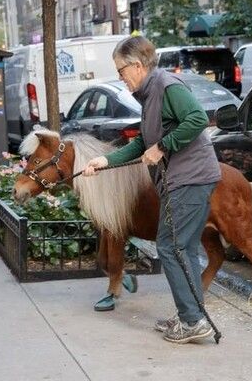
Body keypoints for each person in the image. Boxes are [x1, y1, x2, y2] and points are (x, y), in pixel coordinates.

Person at [83, 36, 221, 344]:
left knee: (170, 247)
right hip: (183, 180)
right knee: (182, 248)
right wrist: (105, 161)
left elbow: (197, 119)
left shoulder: (166, 86)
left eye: (121, 70)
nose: (120, 77)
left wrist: (162, 147)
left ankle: (192, 320)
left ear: (137, 65)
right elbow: (142, 143)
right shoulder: (150, 95)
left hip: (190, 179)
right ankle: (191, 315)